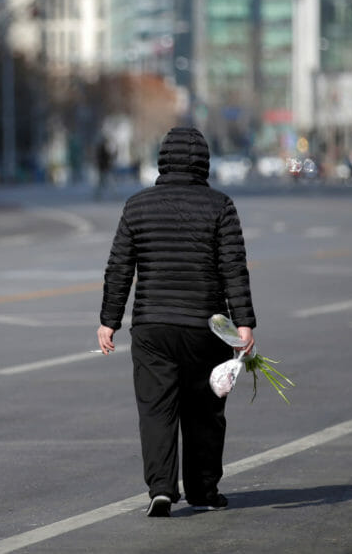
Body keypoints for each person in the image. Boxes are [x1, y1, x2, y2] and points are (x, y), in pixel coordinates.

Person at [97, 126, 256, 518]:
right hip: (205, 326)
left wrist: (109, 320)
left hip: (152, 326)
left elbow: (119, 267)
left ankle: (161, 488)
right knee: (204, 410)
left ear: (161, 160)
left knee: (156, 409)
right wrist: (244, 323)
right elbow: (233, 267)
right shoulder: (221, 206)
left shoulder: (137, 206)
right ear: (204, 161)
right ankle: (203, 489)